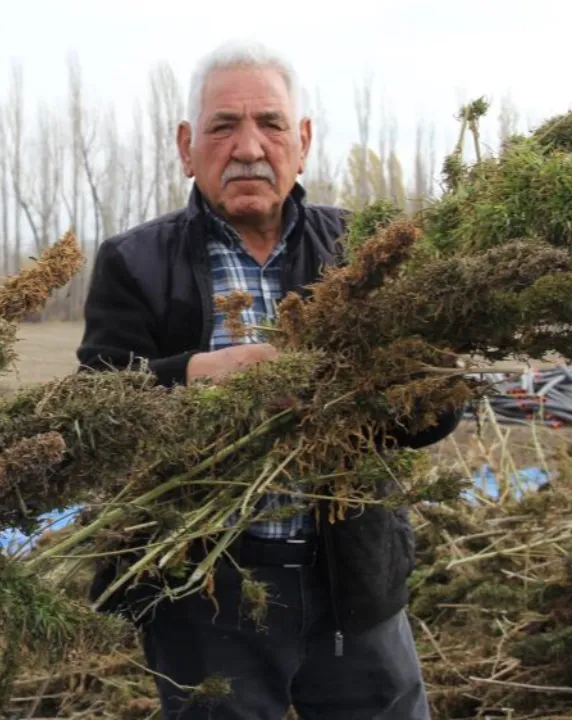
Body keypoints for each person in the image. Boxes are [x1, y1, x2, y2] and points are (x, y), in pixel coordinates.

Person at [76, 41, 458, 719]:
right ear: (186, 146)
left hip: (351, 579)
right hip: (203, 587)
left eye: (271, 124)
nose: (249, 146)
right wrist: (200, 374)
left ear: (302, 142)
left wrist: (376, 391)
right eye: (224, 126)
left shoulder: (363, 253)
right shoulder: (134, 261)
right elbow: (95, 405)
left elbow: (436, 416)